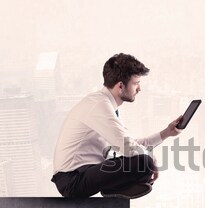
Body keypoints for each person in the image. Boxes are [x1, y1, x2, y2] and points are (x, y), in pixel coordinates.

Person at [51, 53, 182, 199]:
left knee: (143, 160)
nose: (139, 89)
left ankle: (114, 188)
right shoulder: (99, 105)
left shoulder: (103, 104)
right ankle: (115, 187)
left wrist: (166, 133)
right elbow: (128, 148)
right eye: (136, 83)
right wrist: (151, 159)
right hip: (72, 179)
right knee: (144, 163)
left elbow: (129, 144)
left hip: (81, 173)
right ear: (120, 86)